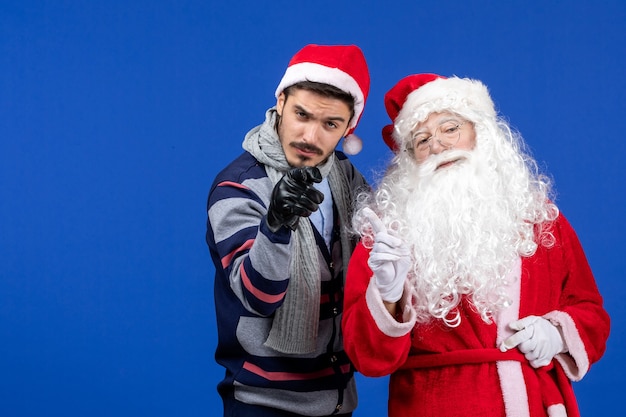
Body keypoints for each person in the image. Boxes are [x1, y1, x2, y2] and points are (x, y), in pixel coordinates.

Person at [342, 73, 610, 417]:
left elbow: (591, 311)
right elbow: (368, 358)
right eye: (421, 140)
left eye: (450, 128)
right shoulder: (388, 236)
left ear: (480, 132)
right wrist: (388, 296)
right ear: (410, 159)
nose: (437, 145)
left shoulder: (541, 219)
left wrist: (556, 334)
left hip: (534, 404)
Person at [205, 44, 371, 417]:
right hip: (265, 402)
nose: (310, 137)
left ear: (349, 128)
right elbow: (258, 296)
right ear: (280, 101)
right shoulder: (239, 187)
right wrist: (275, 225)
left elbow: (383, 260)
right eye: (302, 114)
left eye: (330, 124)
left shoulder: (346, 178)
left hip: (338, 400)